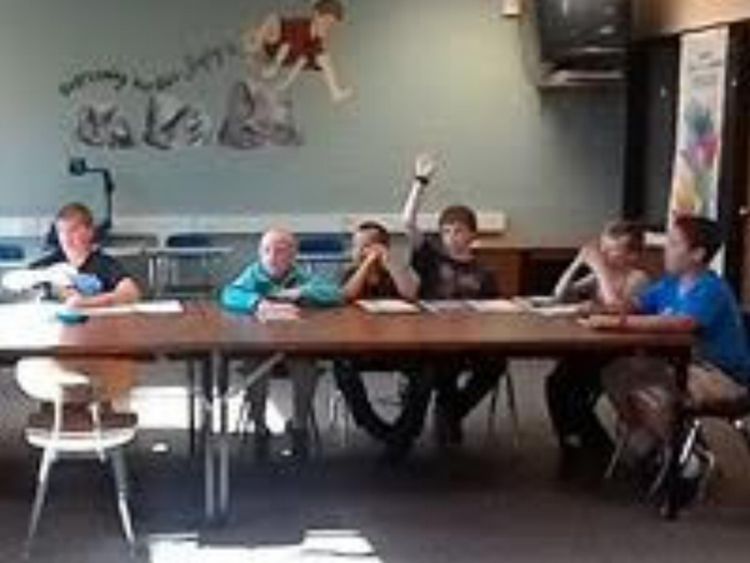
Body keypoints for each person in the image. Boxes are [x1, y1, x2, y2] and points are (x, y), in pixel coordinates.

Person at [588, 216, 750, 509]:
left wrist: (620, 323)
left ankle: (687, 461)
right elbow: (631, 307)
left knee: (651, 387)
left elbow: (683, 323)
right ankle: (656, 447)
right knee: (616, 372)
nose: (666, 250)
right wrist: (605, 295)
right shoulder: (670, 285)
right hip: (685, 367)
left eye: (674, 244)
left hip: (721, 375)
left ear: (697, 254)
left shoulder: (711, 288)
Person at [402, 154, 504, 447]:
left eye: (458, 231)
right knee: (443, 365)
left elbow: (493, 311)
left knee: (496, 364)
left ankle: (452, 411)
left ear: (472, 234)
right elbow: (407, 222)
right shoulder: (432, 258)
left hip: (471, 339)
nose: (451, 237)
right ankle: (448, 414)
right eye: (446, 231)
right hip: (434, 339)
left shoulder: (485, 271)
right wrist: (420, 182)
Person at [11, 203, 141, 421]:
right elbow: (19, 284)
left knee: (102, 374)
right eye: (61, 232)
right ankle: (55, 414)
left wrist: (89, 303)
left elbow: (131, 292)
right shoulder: (48, 265)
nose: (66, 238)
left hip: (97, 344)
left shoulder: (104, 264)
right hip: (55, 344)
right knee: (46, 368)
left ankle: (98, 414)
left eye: (73, 230)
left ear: (89, 232)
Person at [221, 228, 342, 460]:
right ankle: (259, 426)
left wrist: (301, 292)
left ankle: (299, 425)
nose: (273, 257)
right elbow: (229, 294)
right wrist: (257, 303)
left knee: (306, 366)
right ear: (260, 253)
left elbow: (335, 294)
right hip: (260, 344)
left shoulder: (299, 275)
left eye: (281, 251)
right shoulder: (254, 274)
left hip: (296, 345)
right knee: (254, 365)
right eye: (267, 251)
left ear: (293, 255)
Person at [544, 221, 650, 472]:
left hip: (620, 353)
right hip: (592, 348)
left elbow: (615, 308)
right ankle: (570, 442)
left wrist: (600, 270)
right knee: (555, 384)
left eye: (612, 249)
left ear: (632, 255)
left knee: (576, 395)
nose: (604, 254)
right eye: (603, 248)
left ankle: (598, 446)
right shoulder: (601, 274)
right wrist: (577, 263)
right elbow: (559, 295)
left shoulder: (638, 278)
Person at [333, 221, 431, 460]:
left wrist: (390, 264)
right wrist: (366, 264)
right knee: (342, 368)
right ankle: (378, 429)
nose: (359, 251)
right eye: (356, 246)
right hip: (360, 347)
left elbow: (410, 293)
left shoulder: (397, 268)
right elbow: (346, 295)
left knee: (426, 371)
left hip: (397, 346)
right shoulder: (348, 271)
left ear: (383, 247)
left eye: (367, 246)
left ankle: (406, 430)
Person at [242, 0, 353, 103]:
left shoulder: (316, 43)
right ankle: (256, 42)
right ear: (316, 15)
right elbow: (285, 46)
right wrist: (275, 63)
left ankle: (335, 91)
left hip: (277, 57)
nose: (326, 27)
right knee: (274, 21)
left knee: (323, 57)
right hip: (275, 45)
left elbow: (300, 63)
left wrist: (286, 83)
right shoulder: (301, 27)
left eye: (330, 24)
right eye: (325, 21)